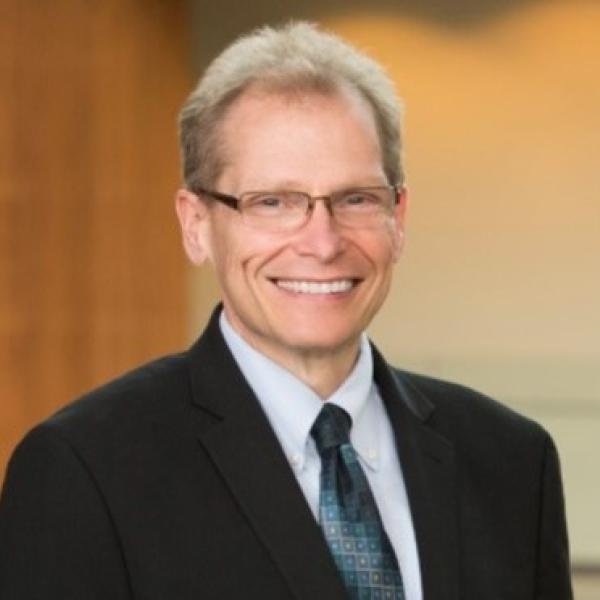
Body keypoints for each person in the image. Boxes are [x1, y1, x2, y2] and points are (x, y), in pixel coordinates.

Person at [0, 22, 572, 600]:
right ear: (196, 224)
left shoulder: (513, 464)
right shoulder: (86, 470)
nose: (322, 243)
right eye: (272, 202)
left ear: (398, 217)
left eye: (355, 199)